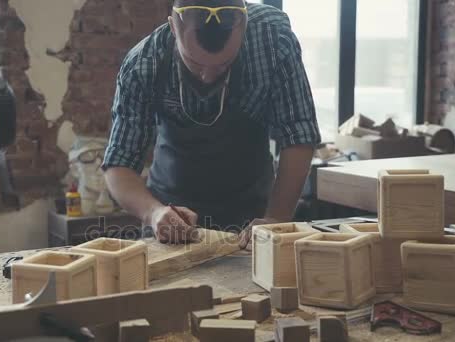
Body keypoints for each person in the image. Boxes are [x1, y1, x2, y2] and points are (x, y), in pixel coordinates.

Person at [102, 0, 321, 245]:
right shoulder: (143, 64)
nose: (207, 77)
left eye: (223, 65)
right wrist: (153, 212)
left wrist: (276, 218)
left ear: (244, 26)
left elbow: (298, 135)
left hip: (254, 212)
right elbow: (118, 165)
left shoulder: (273, 42)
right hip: (172, 215)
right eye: (194, 63)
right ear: (173, 27)